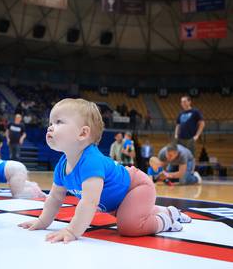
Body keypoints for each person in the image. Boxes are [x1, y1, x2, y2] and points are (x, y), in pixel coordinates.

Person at [18, 98, 192, 243]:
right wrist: (43, 221)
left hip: (136, 187)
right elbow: (55, 198)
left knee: (128, 226)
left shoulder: (91, 161)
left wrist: (72, 231)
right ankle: (170, 211)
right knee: (129, 213)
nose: (50, 127)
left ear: (82, 133)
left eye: (58, 122)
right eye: (50, 122)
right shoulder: (62, 165)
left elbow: (89, 203)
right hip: (118, 202)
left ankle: (166, 221)